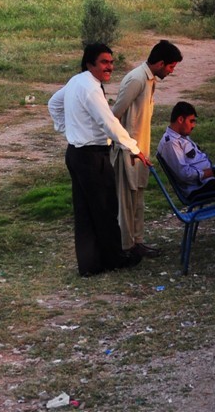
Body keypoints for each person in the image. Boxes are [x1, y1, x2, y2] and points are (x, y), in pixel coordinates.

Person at [48, 43, 151, 277]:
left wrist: (67, 129)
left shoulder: (77, 81)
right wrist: (133, 148)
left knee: (85, 211)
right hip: (92, 156)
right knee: (105, 209)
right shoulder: (91, 88)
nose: (110, 67)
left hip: (76, 154)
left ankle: (90, 265)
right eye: (104, 62)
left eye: (111, 62)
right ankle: (114, 259)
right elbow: (109, 123)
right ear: (90, 63)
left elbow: (54, 103)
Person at [111, 40, 183, 257]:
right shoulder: (136, 79)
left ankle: (137, 242)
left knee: (137, 200)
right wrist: (128, 146)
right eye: (170, 67)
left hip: (140, 152)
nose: (171, 72)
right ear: (160, 63)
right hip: (127, 151)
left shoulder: (150, 80)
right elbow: (114, 115)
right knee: (126, 202)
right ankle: (125, 248)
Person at [157, 101, 215, 199]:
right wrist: (209, 173)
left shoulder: (182, 136)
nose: (193, 126)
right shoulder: (171, 143)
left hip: (208, 180)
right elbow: (185, 175)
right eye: (191, 121)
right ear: (181, 119)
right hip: (197, 188)